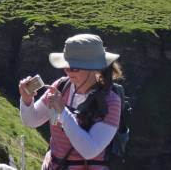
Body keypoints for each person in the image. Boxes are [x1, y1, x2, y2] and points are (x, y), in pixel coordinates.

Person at [19, 34, 123, 170]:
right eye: (66, 67)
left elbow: (89, 150)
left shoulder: (111, 102)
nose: (68, 72)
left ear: (92, 68)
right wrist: (27, 100)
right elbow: (31, 121)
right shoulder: (61, 87)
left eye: (74, 68)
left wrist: (62, 112)